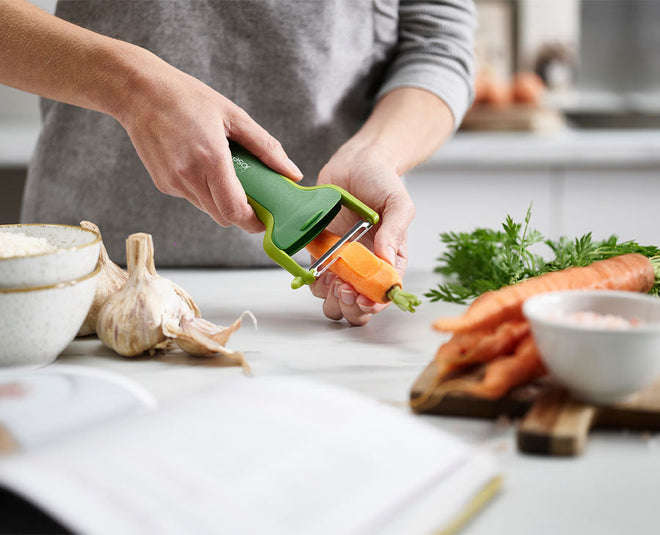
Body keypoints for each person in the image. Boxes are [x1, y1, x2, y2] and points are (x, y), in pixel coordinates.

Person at [1, 0, 476, 325]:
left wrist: (375, 152)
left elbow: (439, 42)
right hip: (85, 279)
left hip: (299, 302)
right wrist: (131, 87)